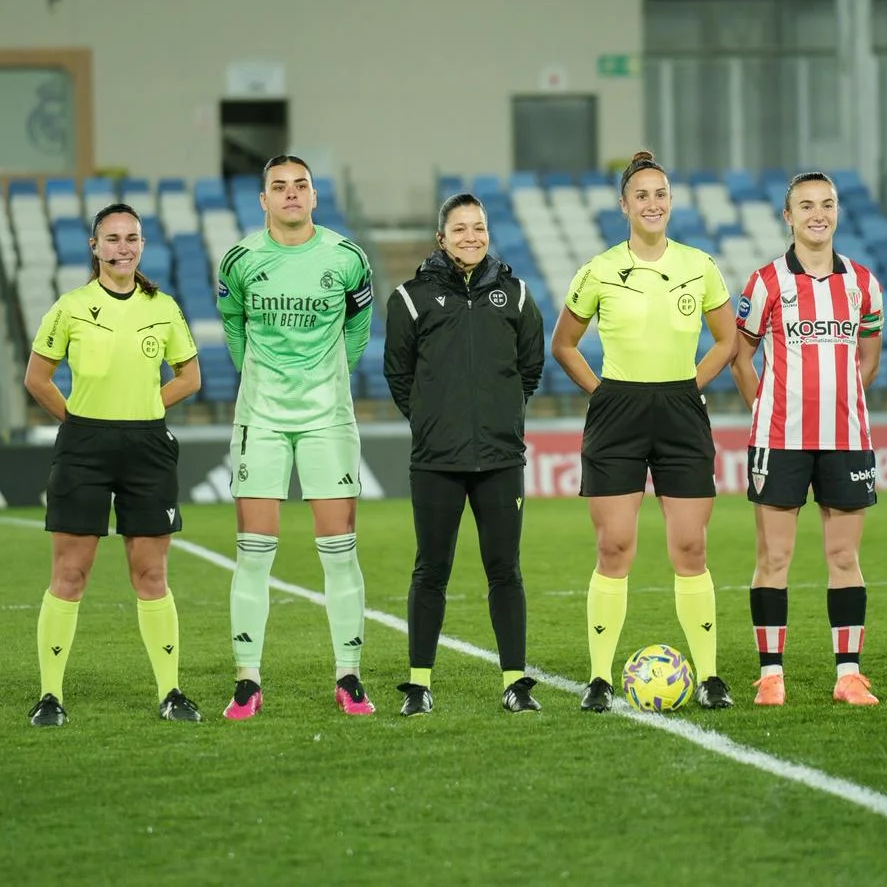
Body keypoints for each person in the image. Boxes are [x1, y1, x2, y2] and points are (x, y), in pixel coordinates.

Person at [551, 150, 739, 712]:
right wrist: (602, 392)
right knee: (614, 546)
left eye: (660, 195)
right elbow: (563, 344)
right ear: (624, 206)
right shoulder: (600, 269)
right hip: (618, 413)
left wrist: (691, 384)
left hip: (680, 409)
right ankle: (600, 679)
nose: (652, 204)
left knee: (690, 545)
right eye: (642, 196)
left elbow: (727, 341)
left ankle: (708, 677)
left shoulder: (700, 265)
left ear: (670, 202)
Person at [23, 201, 204, 727]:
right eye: (113, 238)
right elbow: (38, 377)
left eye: (132, 238)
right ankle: (50, 696)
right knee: (70, 573)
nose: (123, 247)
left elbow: (190, 377)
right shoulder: (71, 306)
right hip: (84, 447)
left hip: (147, 447)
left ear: (141, 246)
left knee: (151, 574)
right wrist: (77, 419)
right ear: (95, 247)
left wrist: (147, 407)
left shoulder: (163, 307)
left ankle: (170, 692)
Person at [215, 155, 376, 719]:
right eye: (278, 187)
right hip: (259, 420)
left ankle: (349, 676)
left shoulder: (347, 259)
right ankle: (246, 679)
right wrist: (259, 377)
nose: (290, 194)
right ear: (263, 200)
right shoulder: (239, 261)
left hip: (327, 419)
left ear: (314, 197)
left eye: (299, 186)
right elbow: (233, 326)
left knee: (339, 551)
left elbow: (358, 330)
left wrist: (327, 378)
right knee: (253, 554)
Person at [383, 192, 546, 716]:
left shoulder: (517, 296)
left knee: (507, 571)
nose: (470, 237)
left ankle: (516, 683)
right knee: (431, 571)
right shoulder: (410, 299)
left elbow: (530, 369)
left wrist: (499, 418)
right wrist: (435, 422)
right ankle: (418, 684)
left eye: (478, 228)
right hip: (436, 461)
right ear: (441, 237)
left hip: (500, 459)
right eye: (459, 229)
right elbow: (399, 375)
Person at [730, 172, 884, 709]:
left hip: (847, 439)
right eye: (806, 206)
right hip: (780, 439)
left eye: (827, 204)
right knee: (775, 556)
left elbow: (869, 354)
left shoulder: (863, 281)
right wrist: (766, 405)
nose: (818, 214)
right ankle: (771, 675)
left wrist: (843, 399)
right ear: (788, 217)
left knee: (844, 556)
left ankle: (849, 675)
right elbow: (740, 356)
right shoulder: (765, 282)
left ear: (837, 211)